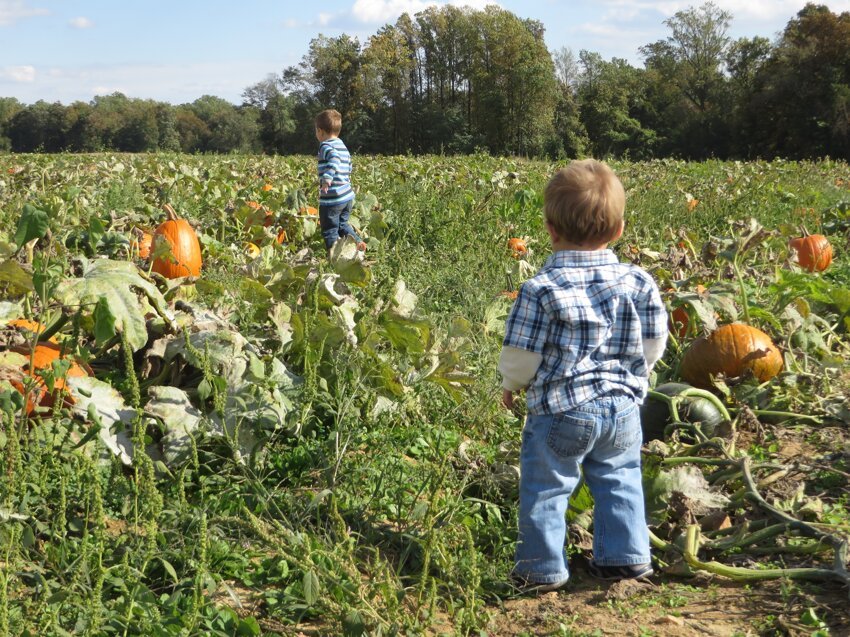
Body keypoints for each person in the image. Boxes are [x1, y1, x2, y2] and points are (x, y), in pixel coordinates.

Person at [499, 159, 668, 592]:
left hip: (562, 411)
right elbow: (653, 343)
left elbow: (522, 354)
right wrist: (637, 373)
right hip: (623, 409)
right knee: (620, 478)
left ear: (550, 230)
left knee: (546, 487)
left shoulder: (542, 289)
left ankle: (540, 569)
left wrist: (511, 385)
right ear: (618, 230)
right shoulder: (638, 281)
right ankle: (626, 559)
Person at [314, 109, 366, 253]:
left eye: (316, 131)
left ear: (320, 131)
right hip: (346, 196)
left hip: (332, 199)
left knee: (330, 230)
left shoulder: (325, 145)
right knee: (342, 225)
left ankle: (334, 257)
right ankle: (357, 242)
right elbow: (348, 165)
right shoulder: (342, 145)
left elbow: (335, 159)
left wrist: (327, 178)